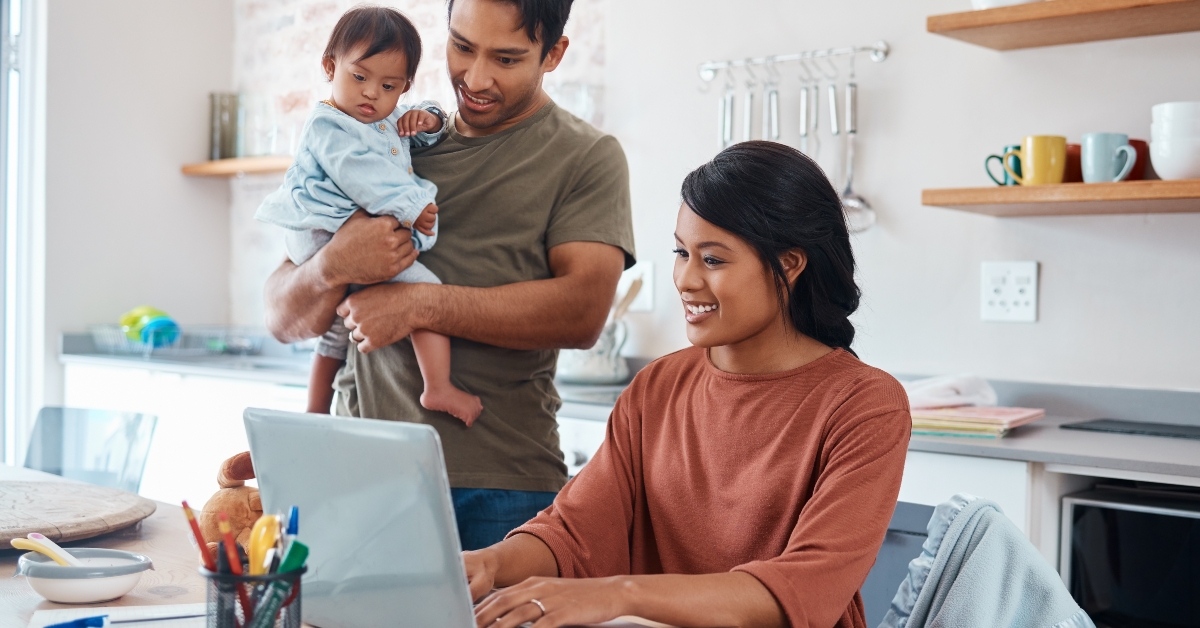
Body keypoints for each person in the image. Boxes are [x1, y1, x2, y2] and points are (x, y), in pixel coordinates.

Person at [465, 142, 912, 628]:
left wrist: (620, 595)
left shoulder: (865, 405)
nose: (686, 280)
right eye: (682, 253)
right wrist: (487, 563)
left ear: (789, 264)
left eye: (713, 260)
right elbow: (574, 532)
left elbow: (804, 588)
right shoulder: (657, 386)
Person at [263, 0, 635, 551]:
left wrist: (420, 305)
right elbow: (280, 315)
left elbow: (582, 313)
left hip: (502, 484)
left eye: (506, 59)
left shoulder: (585, 157)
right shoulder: (385, 139)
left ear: (553, 53)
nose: (476, 79)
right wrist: (333, 265)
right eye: (462, 47)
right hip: (359, 472)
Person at [256, 6, 482, 423]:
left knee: (336, 327)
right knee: (425, 289)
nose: (371, 94)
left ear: (404, 87)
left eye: (388, 85)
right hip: (322, 231)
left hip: (331, 230)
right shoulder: (329, 125)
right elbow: (361, 174)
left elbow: (414, 137)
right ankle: (438, 386)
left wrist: (429, 119)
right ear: (330, 67)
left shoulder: (384, 117)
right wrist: (412, 207)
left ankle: (314, 410)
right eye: (359, 77)